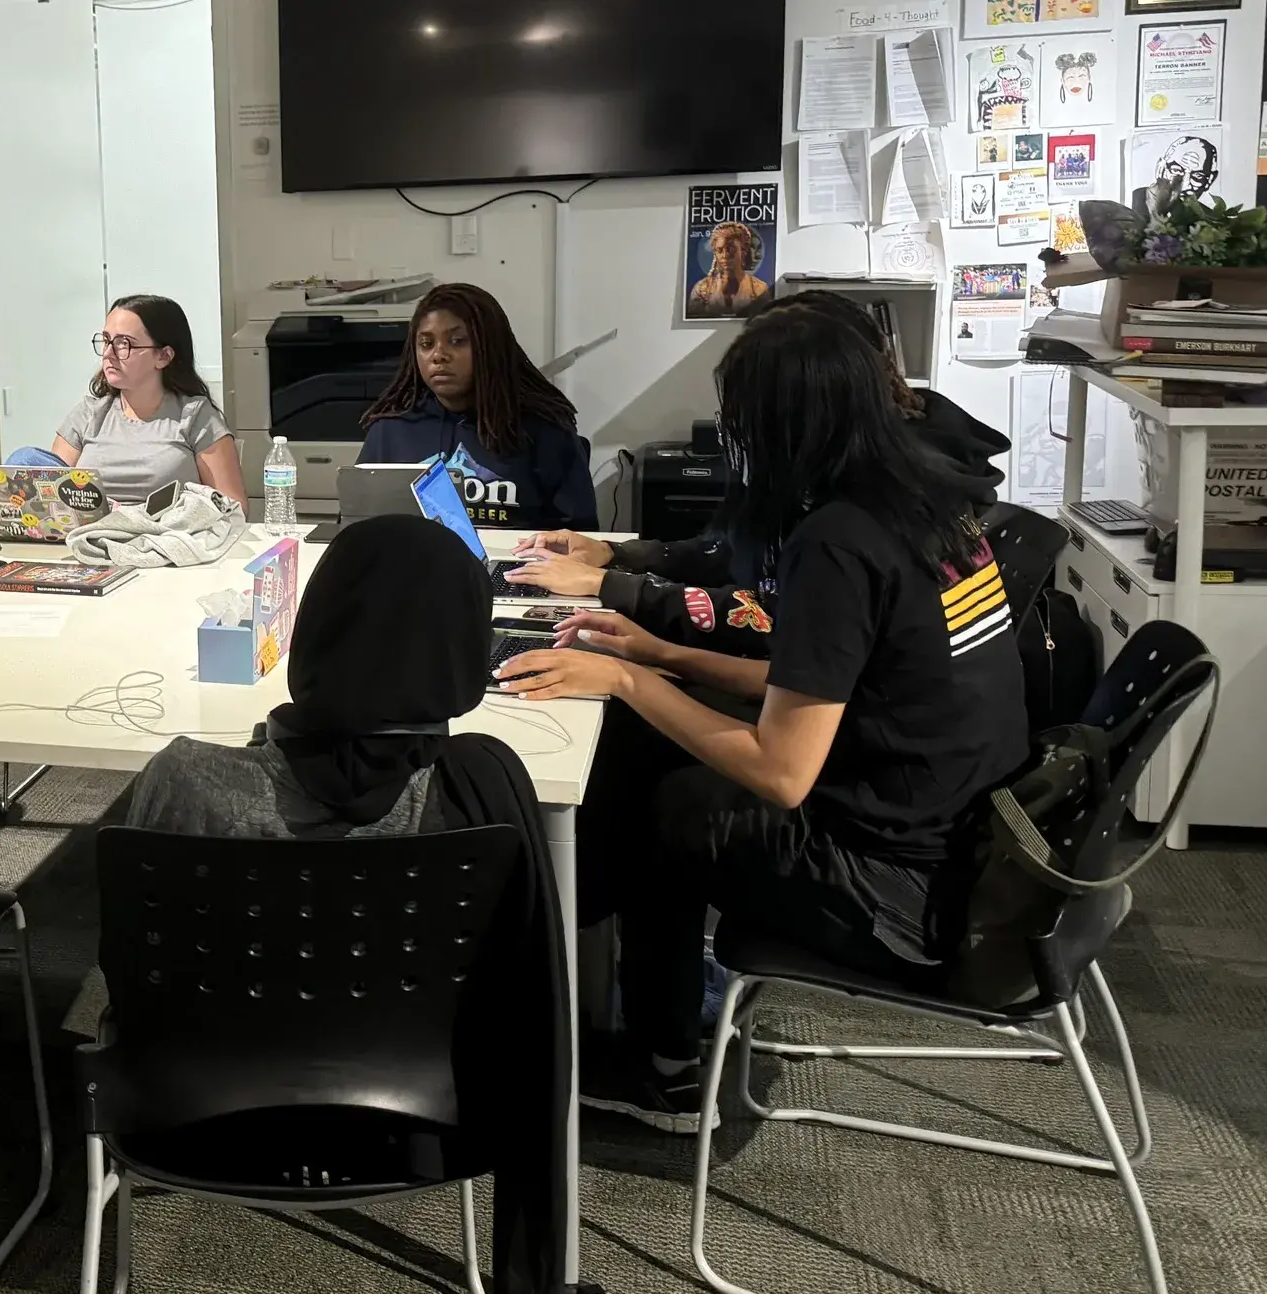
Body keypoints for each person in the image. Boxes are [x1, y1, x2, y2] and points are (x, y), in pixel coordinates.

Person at [495, 304, 1030, 1133]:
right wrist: (662, 656)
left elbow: (782, 771)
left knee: (671, 807)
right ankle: (614, 976)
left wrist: (627, 679)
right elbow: (818, 685)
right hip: (964, 842)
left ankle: (663, 1064)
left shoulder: (838, 541)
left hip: (903, 890)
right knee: (656, 735)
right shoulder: (926, 499)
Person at [124, 512, 570, 1294]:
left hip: (186, 1109)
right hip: (424, 1112)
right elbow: (527, 996)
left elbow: (126, 959)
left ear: (314, 627)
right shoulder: (480, 791)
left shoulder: (182, 780)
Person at [502, 290, 1009, 657]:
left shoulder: (866, 515)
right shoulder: (828, 470)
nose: (738, 422)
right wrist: (618, 556)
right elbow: (736, 553)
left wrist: (615, 595)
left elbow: (776, 617)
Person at [355, 283, 596, 534]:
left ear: (490, 347)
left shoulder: (544, 429)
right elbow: (358, 525)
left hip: (515, 558)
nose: (438, 355)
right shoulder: (391, 429)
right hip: (414, 557)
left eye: (458, 341)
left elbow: (579, 536)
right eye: (426, 344)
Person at [49, 294, 245, 505]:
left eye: (124, 344)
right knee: (28, 457)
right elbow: (49, 496)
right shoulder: (87, 415)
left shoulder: (196, 417)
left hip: (165, 525)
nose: (108, 354)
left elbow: (234, 506)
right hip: (94, 526)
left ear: (164, 356)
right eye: (106, 341)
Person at [686, 222, 771, 319]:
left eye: (731, 250)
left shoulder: (759, 290)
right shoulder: (702, 290)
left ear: (743, 250)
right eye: (719, 250)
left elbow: (764, 322)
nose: (725, 256)